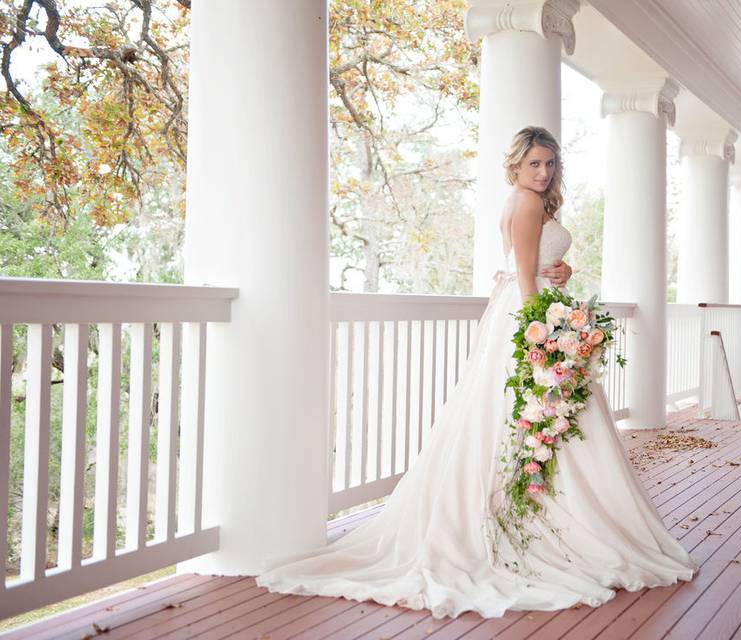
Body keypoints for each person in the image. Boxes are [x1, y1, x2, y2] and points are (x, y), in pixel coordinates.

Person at [255, 126, 698, 619]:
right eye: (535, 164)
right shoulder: (527, 203)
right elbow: (526, 277)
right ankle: (544, 524)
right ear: (516, 165)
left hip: (529, 305)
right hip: (531, 314)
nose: (544, 172)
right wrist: (545, 337)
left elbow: (529, 265)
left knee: (526, 419)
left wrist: (563, 271)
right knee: (542, 412)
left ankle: (533, 512)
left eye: (550, 164)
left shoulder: (525, 201)